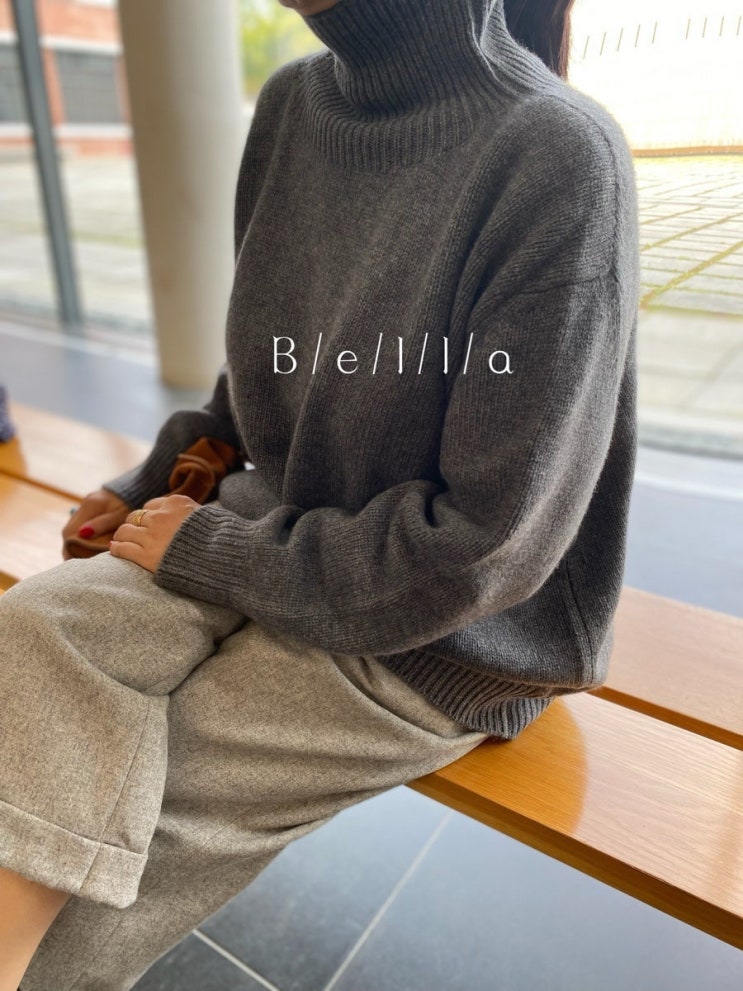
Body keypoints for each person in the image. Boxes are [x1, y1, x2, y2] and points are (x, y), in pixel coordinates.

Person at [0, 0, 639, 987]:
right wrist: (154, 481)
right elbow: (263, 371)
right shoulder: (293, 104)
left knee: (134, 824)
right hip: (274, 529)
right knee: (30, 638)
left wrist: (209, 550)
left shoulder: (558, 157)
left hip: (444, 628)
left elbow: (486, 547)